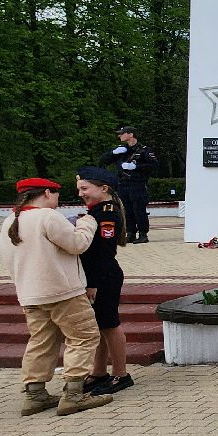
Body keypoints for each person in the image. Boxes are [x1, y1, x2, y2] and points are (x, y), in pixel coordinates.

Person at [0, 178, 112, 417]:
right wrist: (87, 223)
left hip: (30, 294)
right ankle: (73, 394)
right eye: (57, 194)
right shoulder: (48, 217)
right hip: (63, 292)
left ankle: (34, 394)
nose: (58, 200)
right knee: (84, 336)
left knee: (41, 341)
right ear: (47, 193)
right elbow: (77, 244)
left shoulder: (10, 220)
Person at [76, 167, 133, 395]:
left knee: (110, 325)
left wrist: (93, 283)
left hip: (103, 277)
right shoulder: (98, 210)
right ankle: (98, 373)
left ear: (104, 188)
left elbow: (104, 253)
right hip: (98, 276)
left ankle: (121, 374)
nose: (81, 193)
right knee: (99, 326)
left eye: (85, 188)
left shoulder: (106, 213)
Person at [104, 126, 158, 243]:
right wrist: (112, 153)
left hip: (137, 184)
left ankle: (143, 234)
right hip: (123, 184)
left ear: (131, 134)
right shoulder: (121, 151)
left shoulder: (144, 150)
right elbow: (103, 161)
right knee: (126, 210)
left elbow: (153, 166)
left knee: (139, 210)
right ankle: (130, 233)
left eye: (122, 133)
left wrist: (136, 167)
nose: (120, 136)